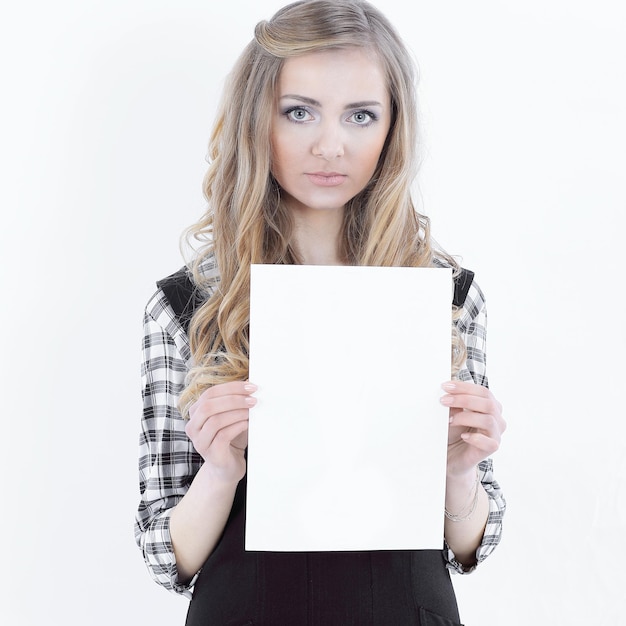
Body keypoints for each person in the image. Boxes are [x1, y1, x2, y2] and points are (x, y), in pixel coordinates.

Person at [135, 1, 506, 624]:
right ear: (260, 119)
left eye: (361, 116)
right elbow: (167, 556)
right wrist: (221, 470)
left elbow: (470, 546)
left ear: (392, 129)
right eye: (299, 112)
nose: (330, 145)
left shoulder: (445, 295)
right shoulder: (187, 305)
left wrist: (461, 469)